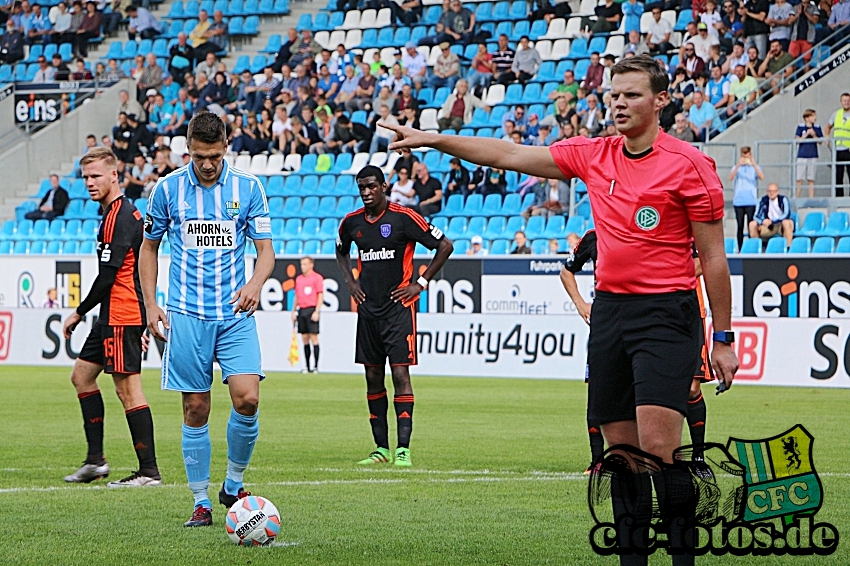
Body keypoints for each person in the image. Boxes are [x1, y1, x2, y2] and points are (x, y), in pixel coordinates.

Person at [382, 54, 738, 563]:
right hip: (611, 315)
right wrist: (436, 139)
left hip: (667, 314)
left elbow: (715, 259)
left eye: (632, 94)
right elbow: (508, 154)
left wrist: (722, 340)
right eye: (614, 94)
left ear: (661, 101)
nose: (619, 102)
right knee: (621, 459)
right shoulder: (593, 154)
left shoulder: (690, 164)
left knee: (659, 453)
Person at [140, 111, 275, 527]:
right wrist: (150, 303)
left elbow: (266, 251)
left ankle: (233, 484)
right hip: (186, 313)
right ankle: (201, 501)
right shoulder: (166, 190)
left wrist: (255, 283)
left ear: (226, 146)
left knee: (248, 398)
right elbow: (149, 248)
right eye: (199, 156)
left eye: (214, 155)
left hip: (234, 313)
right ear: (188, 149)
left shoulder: (248, 188)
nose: (207, 164)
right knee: (196, 408)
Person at [335, 165, 453, 467]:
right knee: (372, 376)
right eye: (361, 187)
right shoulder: (351, 223)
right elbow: (341, 250)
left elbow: (445, 245)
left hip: (399, 310)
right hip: (368, 311)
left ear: (384, 186)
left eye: (371, 186)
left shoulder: (404, 218)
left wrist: (421, 283)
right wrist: (351, 282)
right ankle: (380, 449)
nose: (366, 192)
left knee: (400, 374)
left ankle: (403, 449)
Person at [61, 147, 161, 488]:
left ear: (114, 175)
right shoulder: (116, 213)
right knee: (82, 377)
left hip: (121, 313)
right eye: (85, 177)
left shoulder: (119, 217)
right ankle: (95, 461)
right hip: (112, 315)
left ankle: (148, 471)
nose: (89, 183)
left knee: (128, 390)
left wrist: (77, 312)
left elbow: (108, 276)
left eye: (96, 176)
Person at [290, 256, 323, 374]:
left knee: (313, 337)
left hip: (312, 309)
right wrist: (293, 311)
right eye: (301, 264)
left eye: (305, 264)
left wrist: (317, 311)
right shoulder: (299, 279)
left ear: (311, 265)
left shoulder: (317, 278)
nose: (302, 266)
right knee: (304, 338)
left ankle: (316, 366)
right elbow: (296, 296)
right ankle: (307, 366)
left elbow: (320, 295)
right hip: (302, 309)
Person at [749, 182, 793, 248]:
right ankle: (756, 248)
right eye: (769, 191)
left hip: (780, 224)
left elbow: (787, 214)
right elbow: (756, 216)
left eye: (774, 191)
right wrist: (762, 221)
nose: (771, 193)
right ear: (767, 192)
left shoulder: (783, 199)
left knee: (786, 222)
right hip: (767, 225)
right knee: (752, 224)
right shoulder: (763, 200)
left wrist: (772, 221)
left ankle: (788, 247)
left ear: (778, 192)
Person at [825, 92, 850, 197]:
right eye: (844, 101)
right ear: (841, 102)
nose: (847, 103)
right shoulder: (836, 114)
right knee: (838, 176)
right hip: (837, 149)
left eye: (848, 101)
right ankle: (839, 199)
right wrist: (827, 138)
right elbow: (828, 127)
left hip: (848, 149)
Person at [795, 109, 823, 198]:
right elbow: (797, 140)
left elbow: (820, 141)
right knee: (799, 178)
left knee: (811, 179)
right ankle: (796, 198)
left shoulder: (817, 127)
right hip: (802, 155)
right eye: (813, 116)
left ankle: (811, 199)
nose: (815, 118)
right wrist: (806, 134)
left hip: (813, 155)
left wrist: (814, 134)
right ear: (807, 118)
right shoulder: (800, 127)